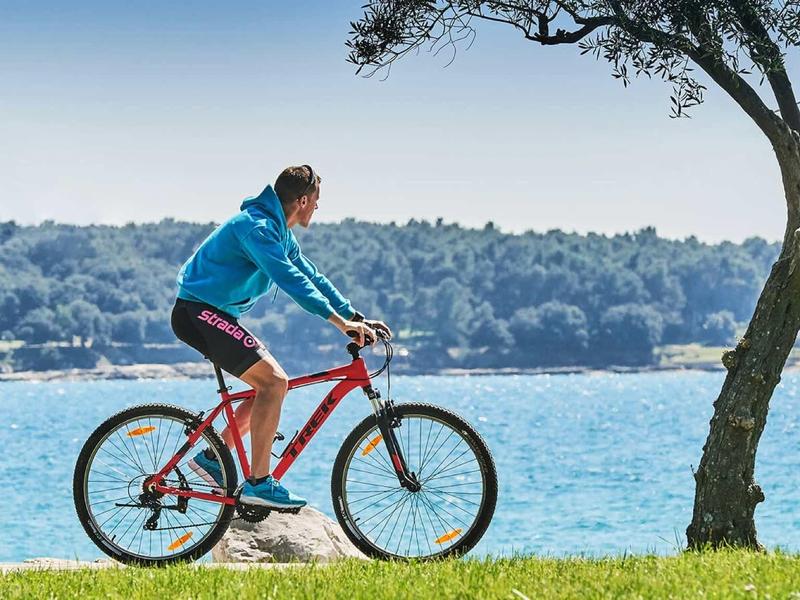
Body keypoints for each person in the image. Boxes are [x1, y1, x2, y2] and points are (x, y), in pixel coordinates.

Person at [170, 165, 392, 509]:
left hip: (214, 314)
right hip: (198, 313)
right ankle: (259, 482)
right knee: (274, 383)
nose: (317, 208)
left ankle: (213, 460)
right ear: (302, 200)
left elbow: (311, 275)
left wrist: (353, 316)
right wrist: (338, 323)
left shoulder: (278, 231)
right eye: (316, 201)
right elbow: (290, 279)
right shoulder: (256, 228)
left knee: (268, 386)